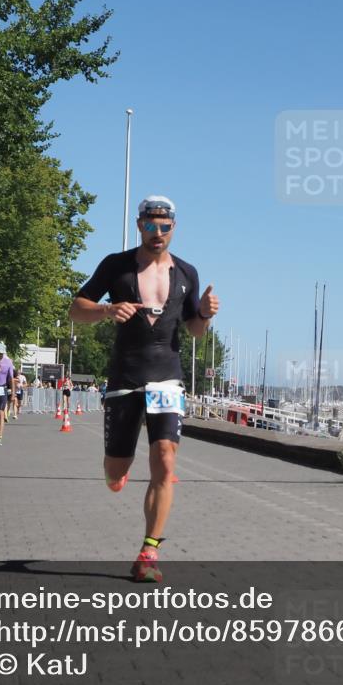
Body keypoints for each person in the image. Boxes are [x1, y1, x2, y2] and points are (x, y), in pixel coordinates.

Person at [69, 195, 219, 582]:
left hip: (167, 375)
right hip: (125, 378)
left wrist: (203, 313)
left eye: (164, 227)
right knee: (116, 469)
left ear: (174, 228)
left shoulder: (186, 273)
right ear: (139, 225)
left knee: (165, 458)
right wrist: (105, 310)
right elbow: (76, 308)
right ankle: (114, 471)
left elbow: (195, 329)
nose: (157, 233)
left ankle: (148, 552)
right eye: (150, 226)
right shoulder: (115, 266)